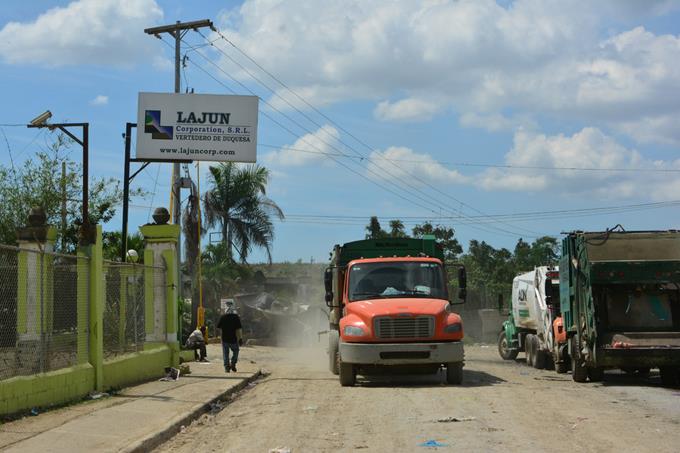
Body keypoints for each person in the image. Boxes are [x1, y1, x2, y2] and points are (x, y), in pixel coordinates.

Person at [217, 300, 244, 372]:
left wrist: (221, 337)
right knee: (236, 351)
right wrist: (240, 338)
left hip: (224, 339)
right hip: (233, 339)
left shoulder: (222, 317)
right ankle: (233, 363)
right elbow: (239, 329)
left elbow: (219, 328)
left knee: (225, 353)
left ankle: (226, 367)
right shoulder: (236, 317)